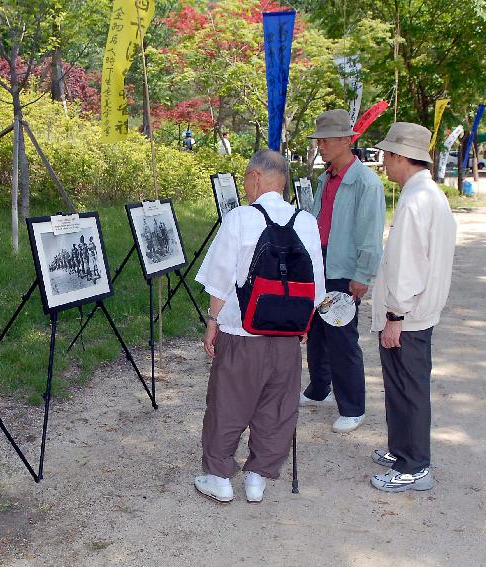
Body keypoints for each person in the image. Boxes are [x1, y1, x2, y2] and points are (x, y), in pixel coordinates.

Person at [193, 149, 325, 503]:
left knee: (228, 403)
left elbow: (220, 279)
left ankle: (219, 477)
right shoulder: (306, 221)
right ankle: (257, 478)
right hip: (286, 335)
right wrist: (303, 328)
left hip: (242, 333)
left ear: (255, 178)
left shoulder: (240, 218)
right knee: (278, 407)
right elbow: (317, 288)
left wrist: (212, 322)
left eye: (247, 181)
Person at [369, 122, 457, 492]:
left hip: (408, 316)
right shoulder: (430, 195)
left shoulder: (414, 201)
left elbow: (407, 266)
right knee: (402, 386)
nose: (384, 163)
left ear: (401, 157)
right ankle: (401, 448)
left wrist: (394, 316)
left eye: (387, 156)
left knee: (409, 389)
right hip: (418, 312)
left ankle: (415, 464)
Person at [300, 109, 386, 433]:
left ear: (344, 140)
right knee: (318, 333)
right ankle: (319, 389)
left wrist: (363, 276)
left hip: (344, 269)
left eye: (324, 140)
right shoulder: (327, 176)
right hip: (321, 264)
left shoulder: (365, 182)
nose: (320, 145)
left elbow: (371, 234)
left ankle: (353, 406)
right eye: (318, 140)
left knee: (342, 338)